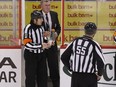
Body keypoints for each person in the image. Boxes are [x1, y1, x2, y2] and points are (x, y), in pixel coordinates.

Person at [61, 22, 105, 87]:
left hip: (76, 76)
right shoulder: (94, 44)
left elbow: (63, 57)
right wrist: (99, 74)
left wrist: (70, 67)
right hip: (89, 77)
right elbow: (101, 62)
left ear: (84, 30)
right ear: (94, 32)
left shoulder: (75, 41)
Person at [23, 10, 50, 87]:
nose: (42, 20)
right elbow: (27, 44)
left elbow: (41, 39)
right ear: (34, 20)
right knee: (30, 77)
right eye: (40, 18)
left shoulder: (41, 27)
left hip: (41, 55)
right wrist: (41, 46)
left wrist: (47, 41)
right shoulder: (28, 28)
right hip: (31, 55)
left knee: (43, 76)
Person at [39, 0, 61, 87]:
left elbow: (58, 27)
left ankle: (56, 85)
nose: (48, 7)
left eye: (49, 5)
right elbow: (33, 28)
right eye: (46, 5)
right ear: (41, 5)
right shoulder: (37, 14)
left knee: (54, 68)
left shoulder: (54, 14)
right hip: (42, 46)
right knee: (42, 69)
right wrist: (41, 33)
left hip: (52, 45)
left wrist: (56, 33)